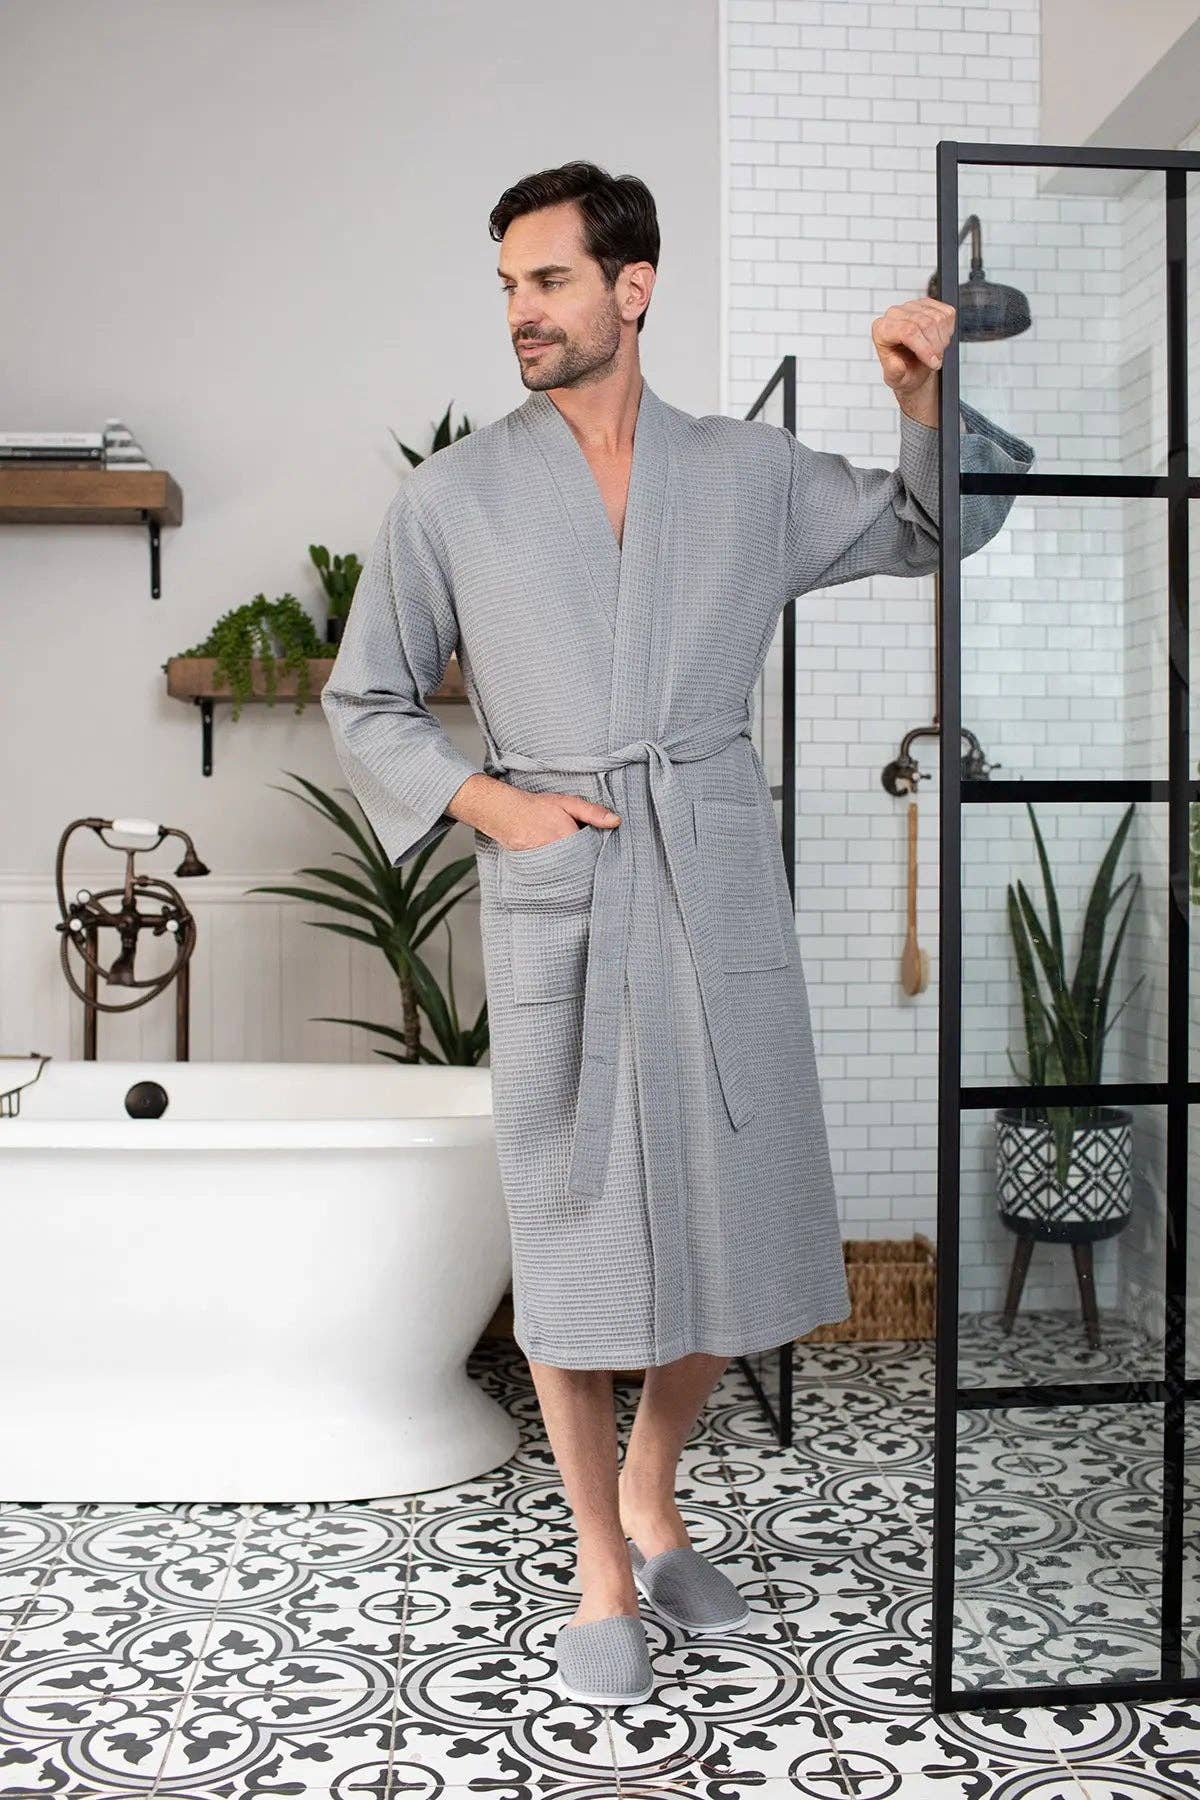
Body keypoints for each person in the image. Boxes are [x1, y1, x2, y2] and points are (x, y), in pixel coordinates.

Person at [320, 160, 1035, 1707]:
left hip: (712, 874)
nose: (522, 311)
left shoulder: (746, 473)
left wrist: (919, 394)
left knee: (742, 1214)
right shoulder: (452, 499)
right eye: (509, 286)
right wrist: (494, 806)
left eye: (550, 281)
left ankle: (655, 1493)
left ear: (631, 288)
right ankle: (601, 1562)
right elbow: (365, 698)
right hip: (566, 883)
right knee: (574, 1233)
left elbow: (935, 524)